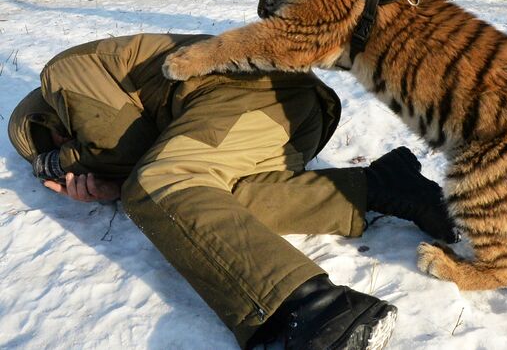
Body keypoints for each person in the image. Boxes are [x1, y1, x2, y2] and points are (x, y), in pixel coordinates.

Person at [7, 33, 458, 350]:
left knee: (161, 184)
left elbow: (124, 146)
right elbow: (134, 149)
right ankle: (380, 186)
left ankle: (318, 311)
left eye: (58, 148)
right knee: (203, 203)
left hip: (247, 93)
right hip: (286, 115)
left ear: (50, 119)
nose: (71, 154)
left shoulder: (63, 73)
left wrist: (80, 170)